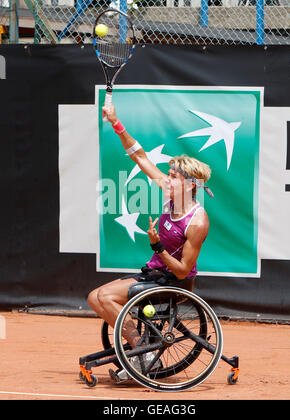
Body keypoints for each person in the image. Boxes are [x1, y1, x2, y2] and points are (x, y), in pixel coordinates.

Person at [87, 104, 212, 382]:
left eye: (174, 177)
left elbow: (182, 271)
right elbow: (140, 157)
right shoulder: (170, 193)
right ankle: (139, 347)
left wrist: (158, 247)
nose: (167, 179)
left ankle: (141, 353)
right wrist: (117, 124)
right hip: (154, 273)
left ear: (191, 185)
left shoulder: (197, 221)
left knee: (106, 297)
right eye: (168, 175)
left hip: (175, 283)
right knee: (94, 297)